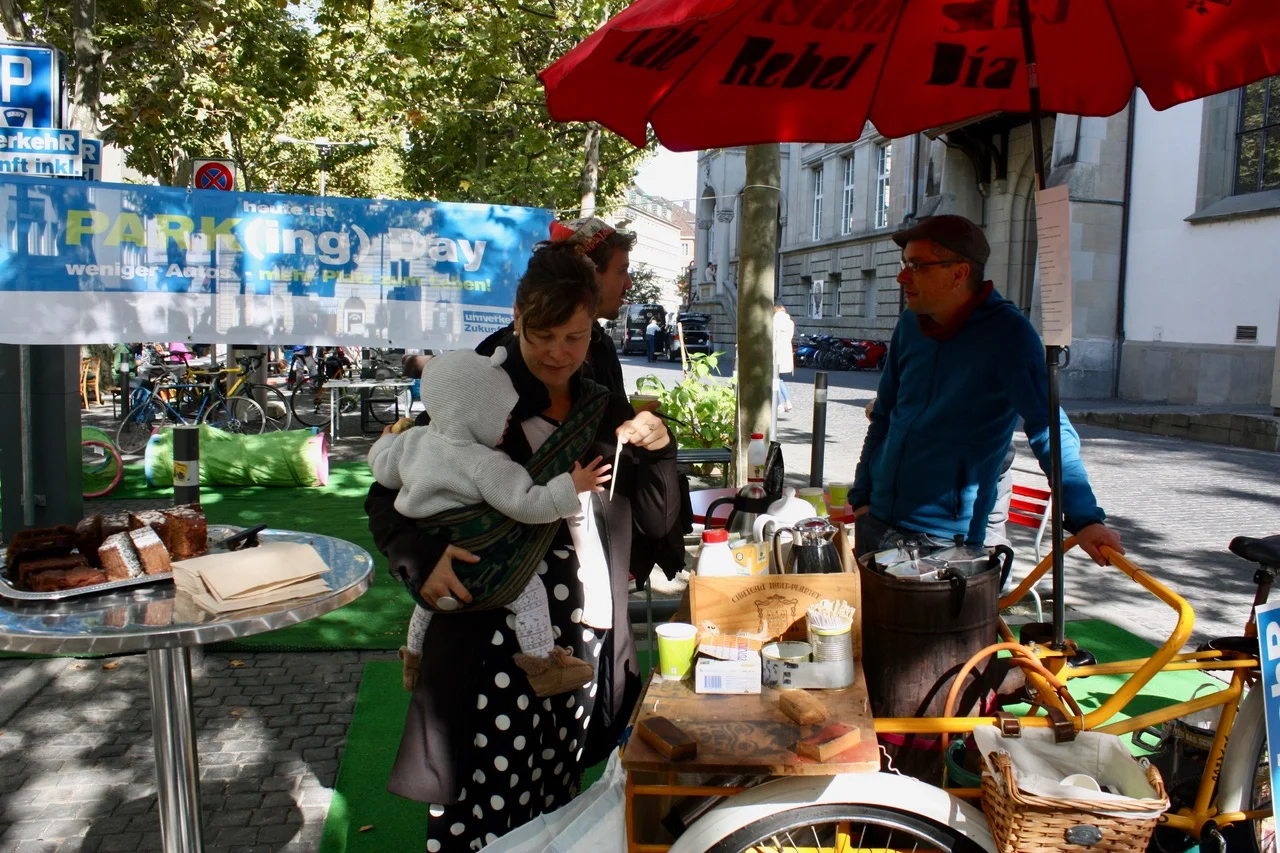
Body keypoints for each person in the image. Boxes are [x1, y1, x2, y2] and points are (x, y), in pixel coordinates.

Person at [365, 242, 681, 852]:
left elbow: (657, 515)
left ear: (594, 327)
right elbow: (391, 490)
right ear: (517, 316)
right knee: (484, 808)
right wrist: (421, 561)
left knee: (555, 802)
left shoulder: (599, 399)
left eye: (576, 336)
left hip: (581, 629)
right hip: (487, 631)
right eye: (545, 335)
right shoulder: (475, 385)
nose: (560, 353)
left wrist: (660, 446)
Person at [850, 214, 1124, 567]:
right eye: (905, 264)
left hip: (948, 539)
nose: (903, 276)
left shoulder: (1009, 335)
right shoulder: (910, 324)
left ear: (959, 273)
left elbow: (1049, 426)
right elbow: (885, 415)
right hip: (877, 519)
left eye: (916, 266)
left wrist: (1085, 517)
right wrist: (862, 496)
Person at [367, 347, 612, 697]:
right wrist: (572, 487)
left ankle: (414, 657)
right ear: (472, 414)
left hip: (434, 560)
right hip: (478, 560)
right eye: (500, 413)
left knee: (426, 606)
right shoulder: (483, 463)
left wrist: (384, 442)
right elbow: (527, 504)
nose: (508, 420)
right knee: (528, 593)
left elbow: (383, 469)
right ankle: (544, 666)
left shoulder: (412, 442)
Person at [772, 303, 795, 415]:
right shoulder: (790, 322)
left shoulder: (774, 321)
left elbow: (772, 339)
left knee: (776, 380)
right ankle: (788, 401)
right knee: (779, 379)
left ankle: (780, 403)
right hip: (786, 353)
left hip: (776, 353)